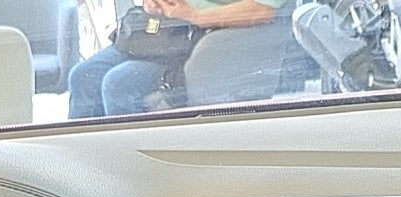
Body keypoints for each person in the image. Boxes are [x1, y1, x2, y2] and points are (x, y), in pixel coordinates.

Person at [68, 0, 294, 116]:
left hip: (207, 40)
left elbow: (262, 10)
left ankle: (127, 179)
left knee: (119, 82)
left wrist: (195, 16)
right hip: (162, 30)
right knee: (83, 76)